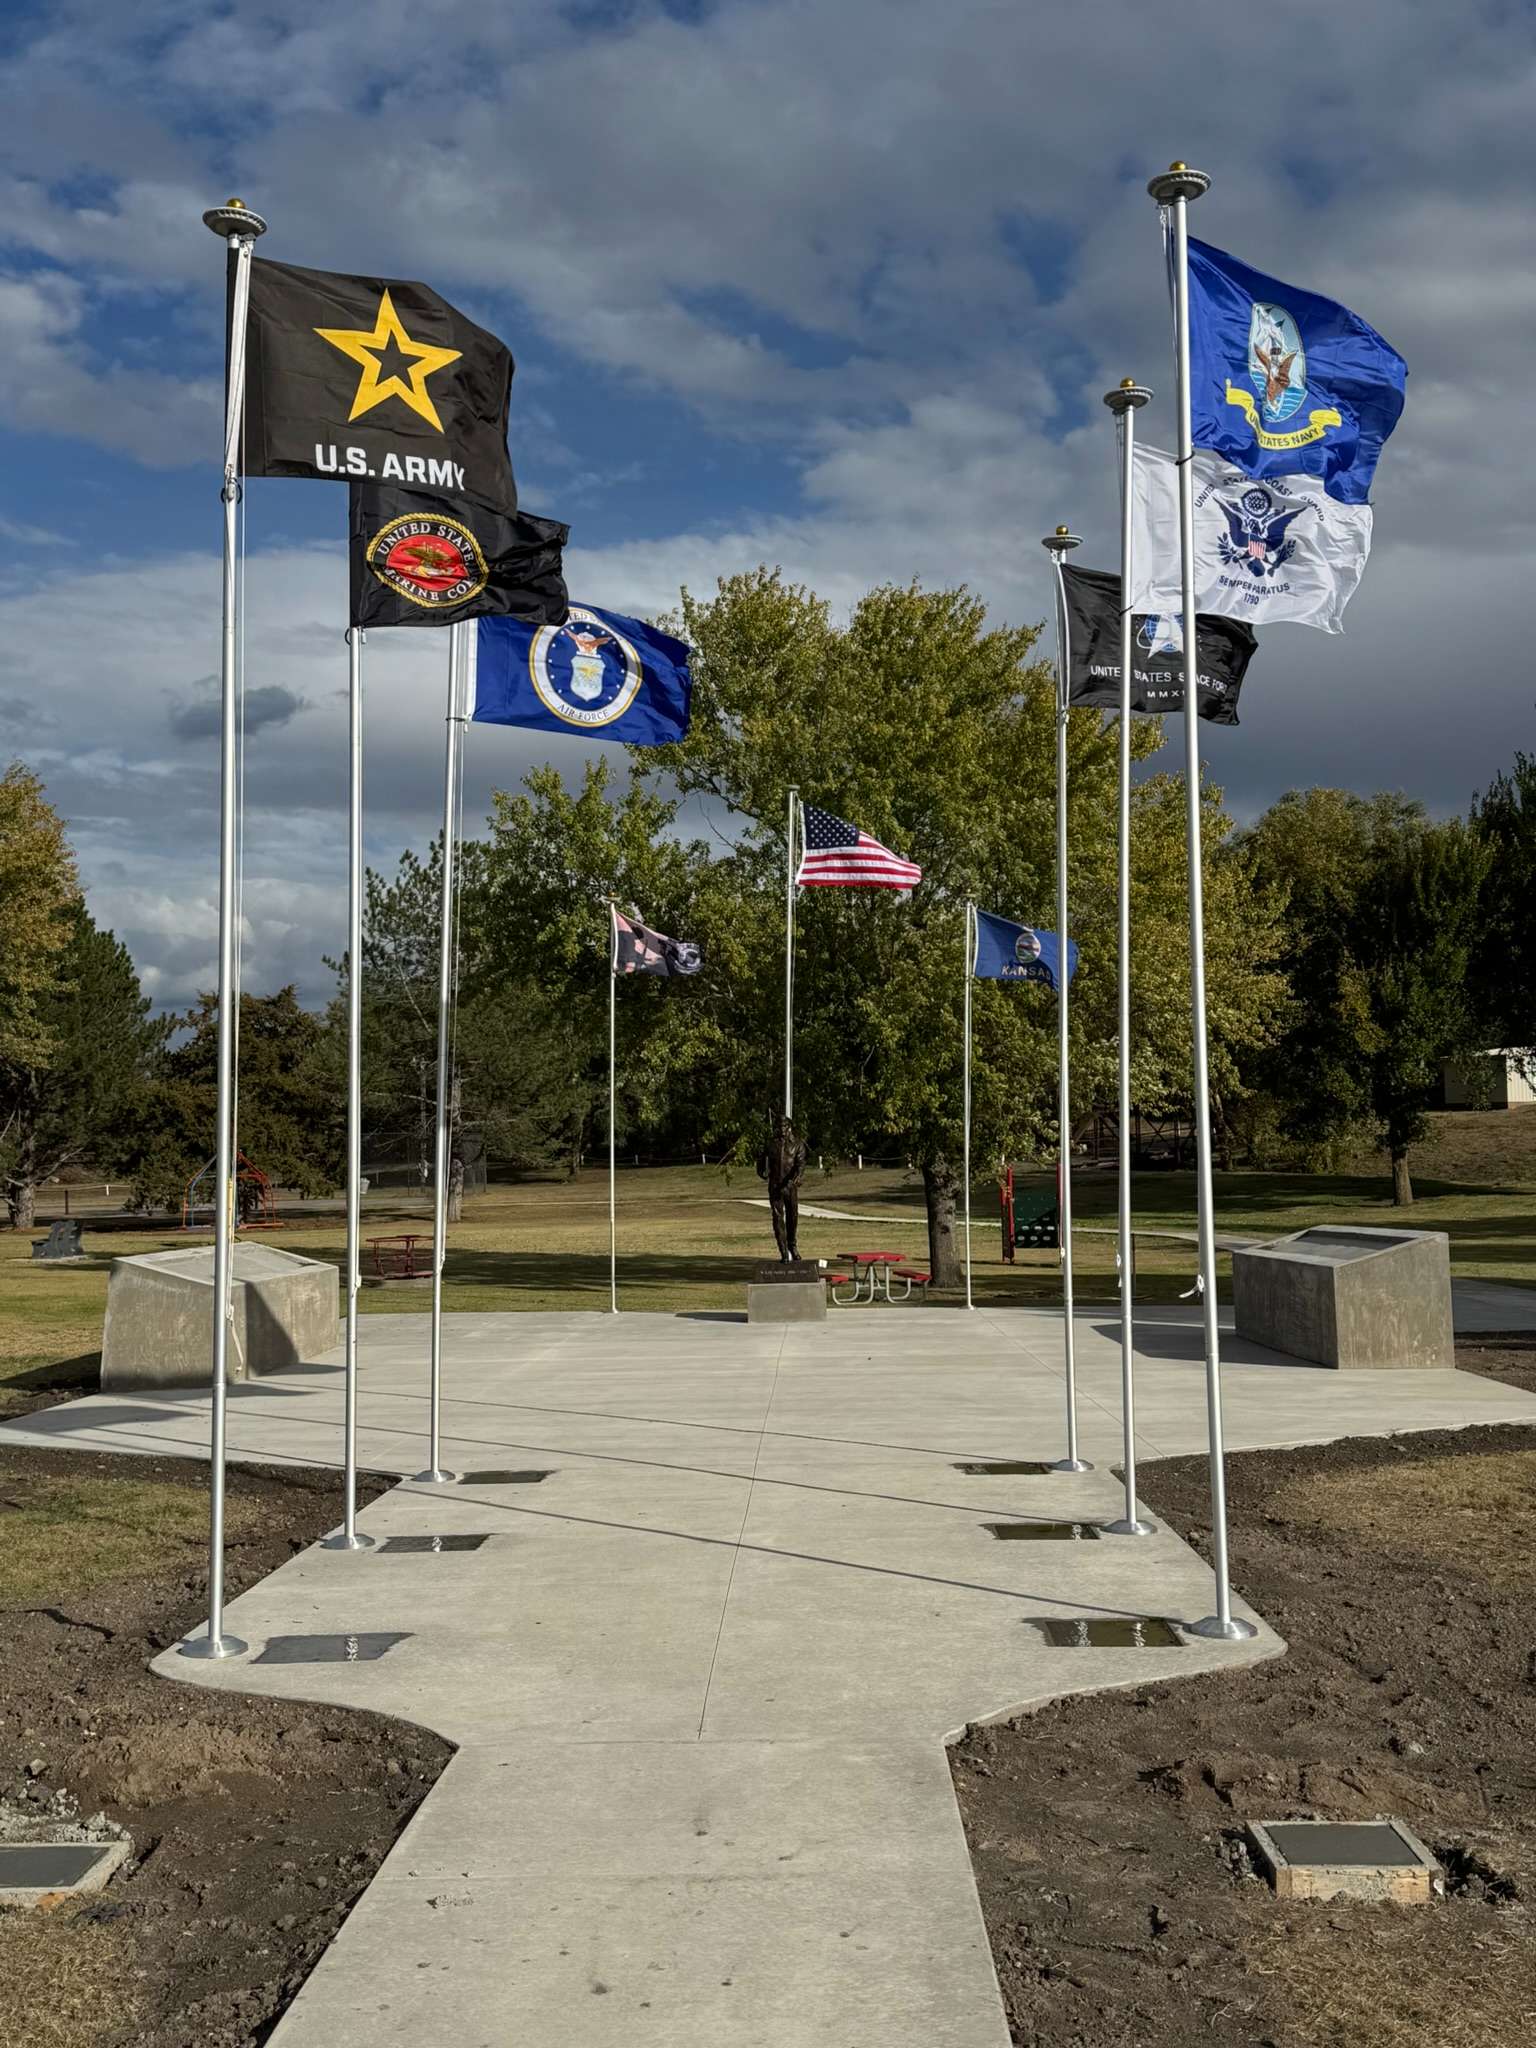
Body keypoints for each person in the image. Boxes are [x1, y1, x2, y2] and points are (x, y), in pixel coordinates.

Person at [756, 1113, 807, 1262]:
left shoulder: (798, 1144)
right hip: (775, 1187)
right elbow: (761, 1163)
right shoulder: (770, 1144)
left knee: (793, 1217)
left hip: (790, 1187)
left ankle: (792, 1245)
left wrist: (794, 1180)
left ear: (789, 1127)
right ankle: (783, 1251)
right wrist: (762, 1172)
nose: (781, 1129)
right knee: (777, 1218)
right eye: (778, 1126)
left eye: (784, 1126)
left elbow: (801, 1166)